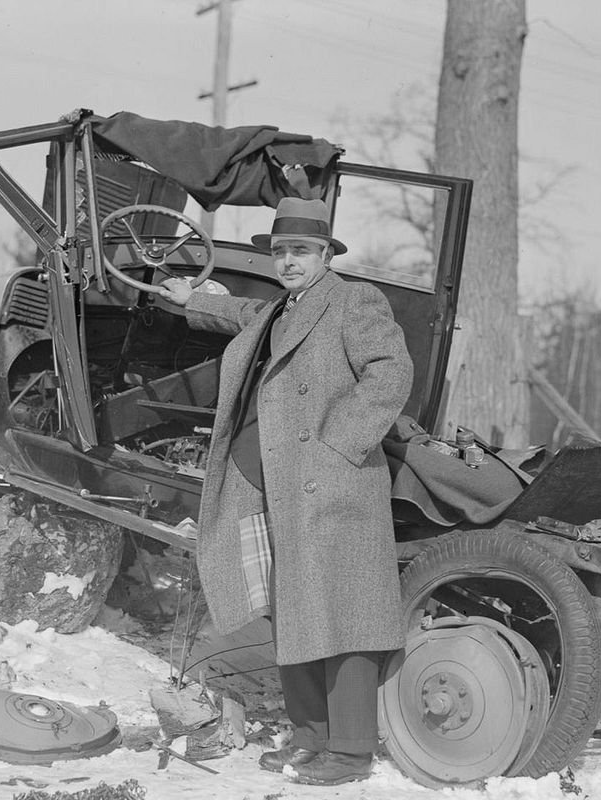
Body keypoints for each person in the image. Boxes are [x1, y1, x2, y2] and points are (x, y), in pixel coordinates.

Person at [159, 197, 412, 786]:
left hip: (331, 483)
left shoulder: (353, 300)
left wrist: (339, 443)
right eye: (279, 252)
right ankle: (310, 740)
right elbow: (245, 313)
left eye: (300, 251)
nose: (289, 261)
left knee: (343, 615)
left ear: (326, 253)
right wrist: (187, 299)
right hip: (268, 482)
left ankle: (349, 753)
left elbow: (391, 371)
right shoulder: (281, 308)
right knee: (292, 608)